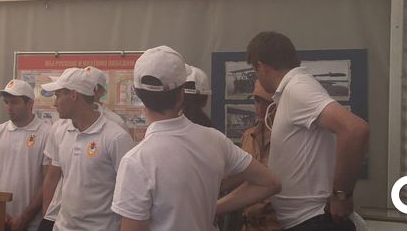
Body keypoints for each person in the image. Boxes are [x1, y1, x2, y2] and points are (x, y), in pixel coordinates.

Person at [112, 45, 281, 231]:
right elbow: (271, 183)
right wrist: (212, 208)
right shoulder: (215, 140)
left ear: (137, 93)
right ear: (181, 94)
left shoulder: (136, 161)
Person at [247, 31, 370, 230]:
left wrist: (342, 195)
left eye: (255, 72)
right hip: (307, 221)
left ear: (262, 67)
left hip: (314, 221)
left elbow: (355, 130)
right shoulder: (292, 90)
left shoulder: (297, 88)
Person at [41, 67, 134, 231]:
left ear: (73, 95)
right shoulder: (61, 131)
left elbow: (130, 194)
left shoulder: (116, 137)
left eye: (58, 95)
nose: (54, 103)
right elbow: (53, 177)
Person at [0, 79, 51, 231]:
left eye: (14, 102)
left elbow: (48, 181)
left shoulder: (47, 133)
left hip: (32, 223)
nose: (9, 107)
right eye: (6, 102)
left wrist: (25, 217)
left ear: (30, 103)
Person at [239, 81, 283, 231]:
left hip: (277, 224)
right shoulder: (248, 136)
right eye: (257, 101)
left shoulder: (288, 141)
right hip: (249, 223)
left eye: (267, 103)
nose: (261, 108)